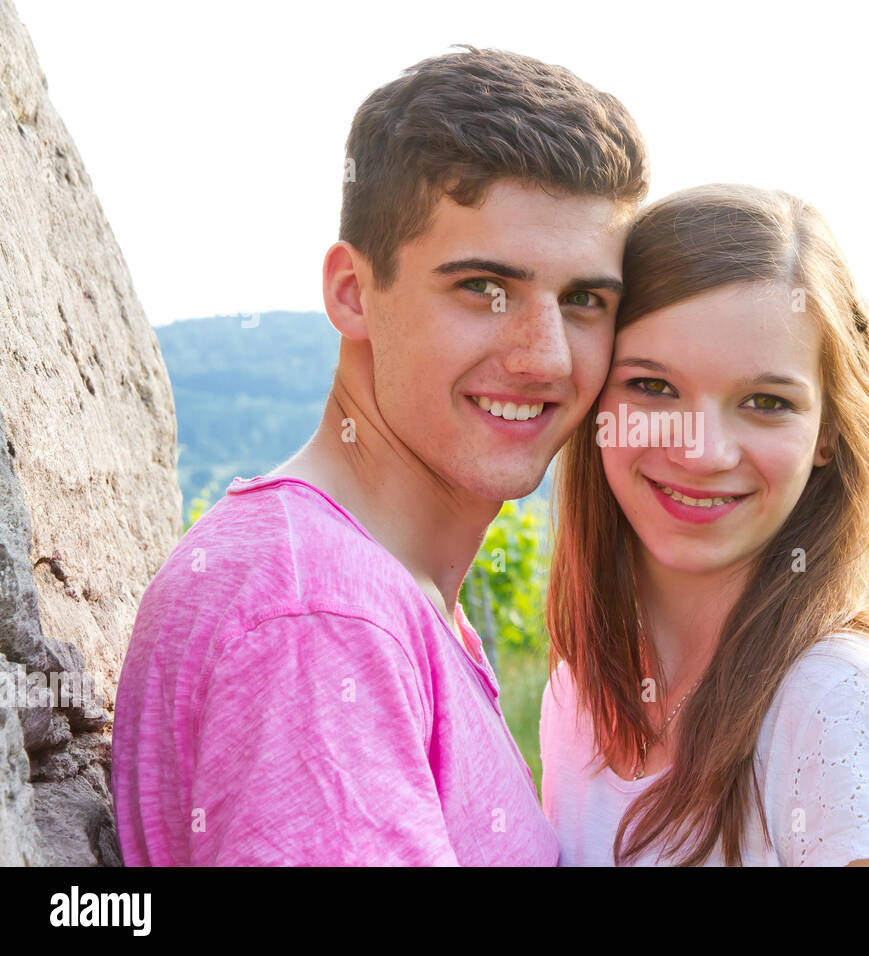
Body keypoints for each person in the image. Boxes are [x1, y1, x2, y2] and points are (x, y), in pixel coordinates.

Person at [111, 46, 648, 865]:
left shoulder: (382, 594)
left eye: (583, 301)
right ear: (353, 293)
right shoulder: (319, 619)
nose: (546, 357)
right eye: (482, 289)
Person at [541, 183, 869, 866]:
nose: (702, 451)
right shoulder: (580, 697)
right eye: (652, 387)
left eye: (766, 402)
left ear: (827, 431)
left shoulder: (842, 706)